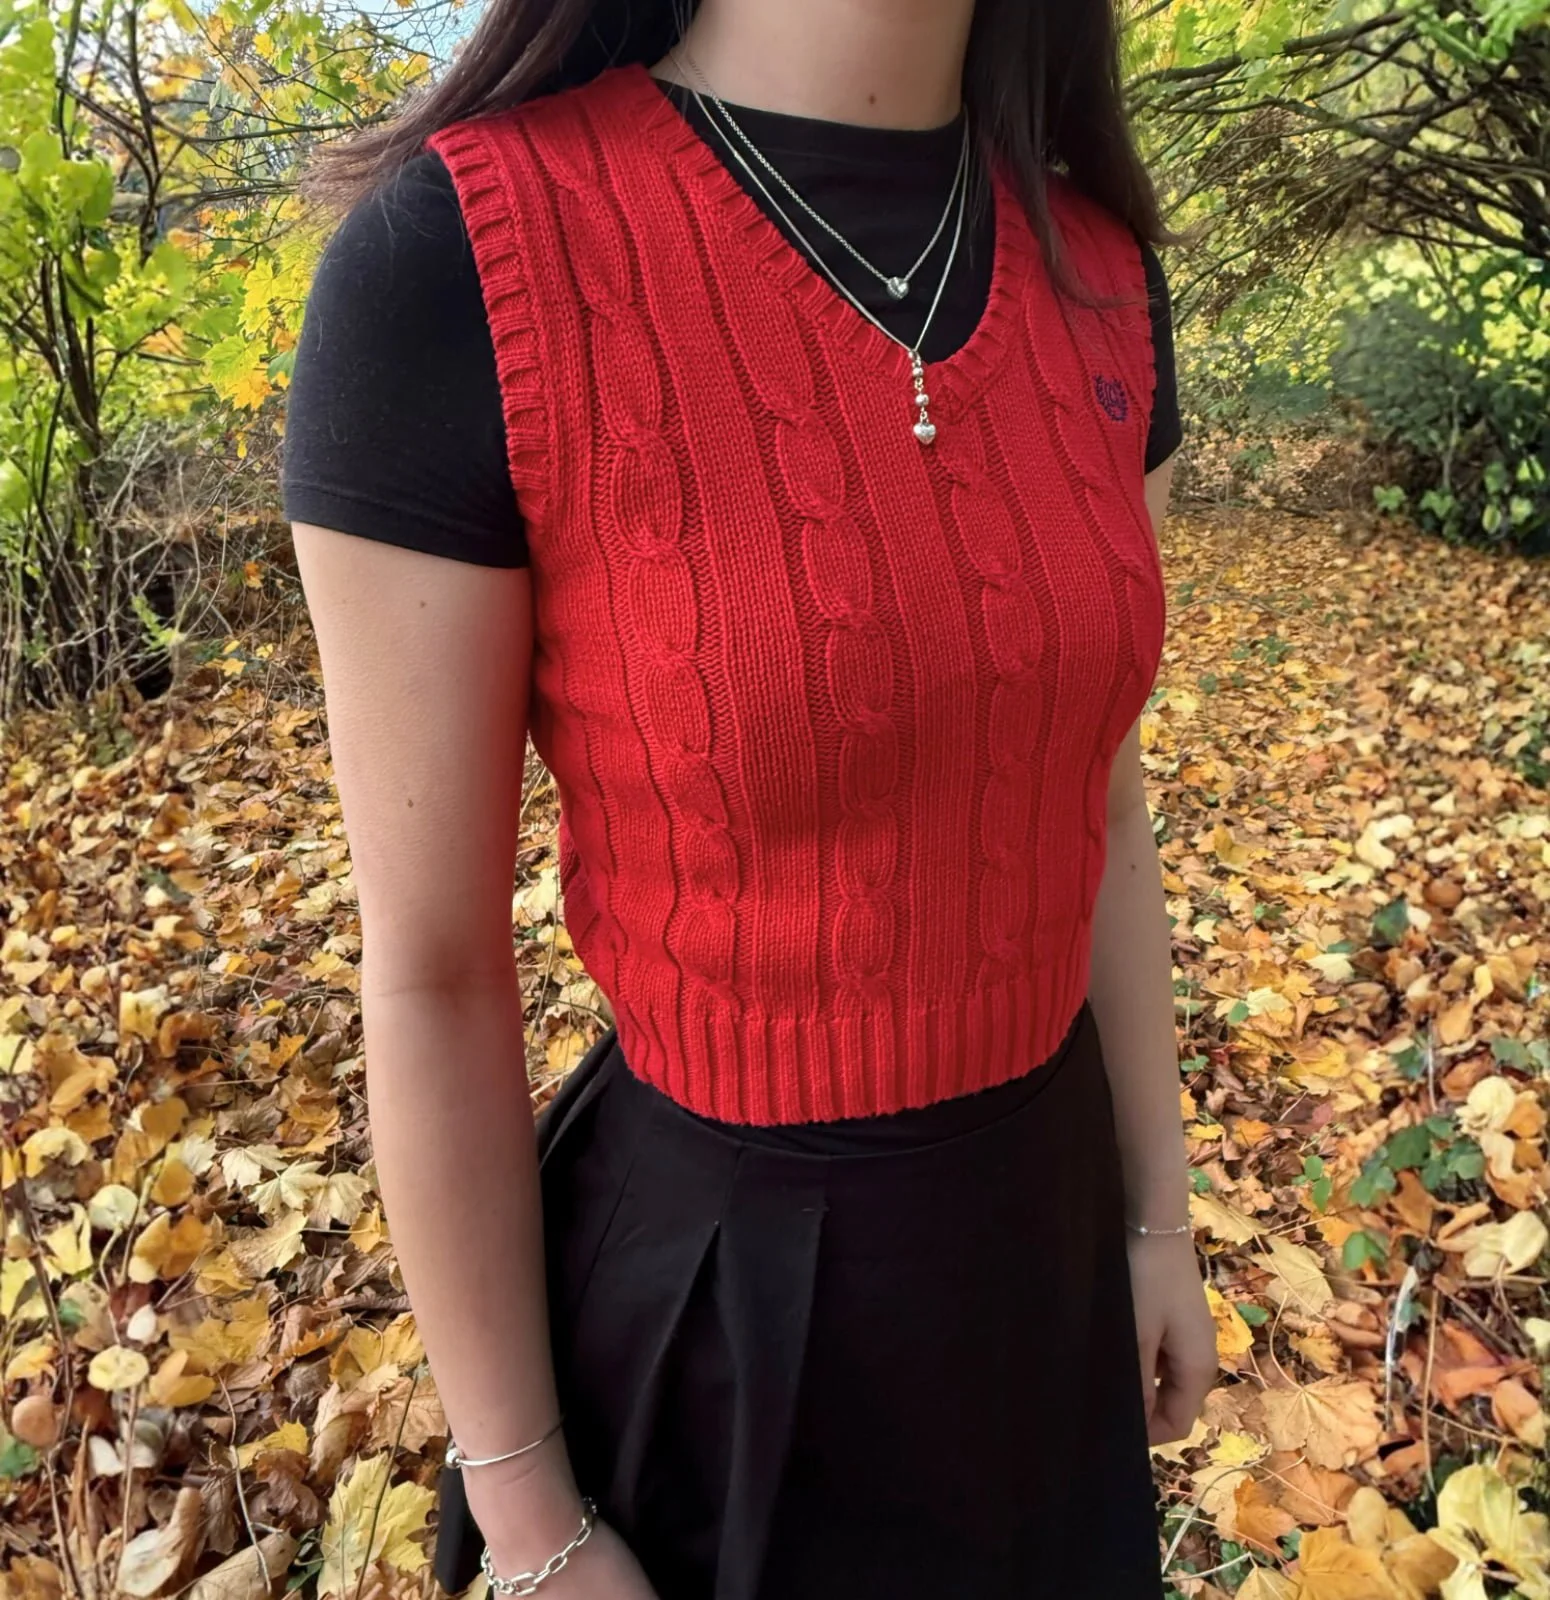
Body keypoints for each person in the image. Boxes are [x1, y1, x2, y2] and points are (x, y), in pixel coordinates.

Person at [284, 0, 1217, 1593]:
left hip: (1044, 1272)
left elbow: (1097, 794)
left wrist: (1156, 1217)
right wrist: (528, 1519)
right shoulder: (458, 258)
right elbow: (432, 969)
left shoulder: (1094, 267)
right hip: (729, 1322)